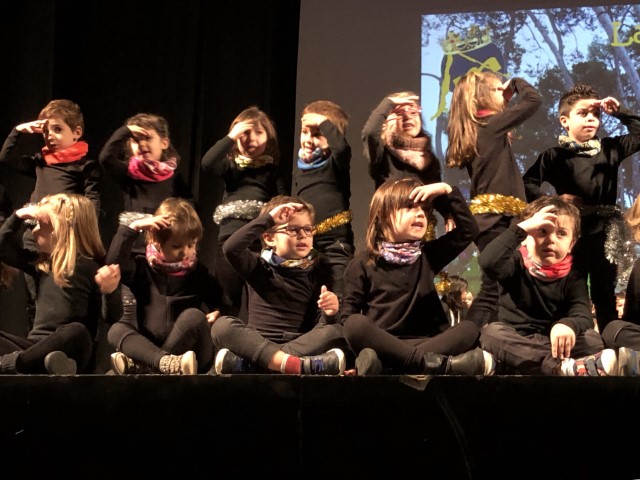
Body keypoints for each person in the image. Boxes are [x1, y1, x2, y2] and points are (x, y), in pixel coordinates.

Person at [340, 177, 491, 376]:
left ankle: (394, 366)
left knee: (469, 329)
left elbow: (468, 230)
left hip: (427, 342)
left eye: (424, 209)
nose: (420, 213)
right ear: (383, 215)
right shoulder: (362, 263)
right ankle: (435, 365)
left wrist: (446, 190)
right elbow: (348, 318)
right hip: (385, 344)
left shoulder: (428, 254)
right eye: (409, 207)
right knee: (355, 325)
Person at [523, 83, 640, 335]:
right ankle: (570, 343)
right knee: (569, 290)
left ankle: (610, 345)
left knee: (604, 293)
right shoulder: (554, 156)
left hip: (605, 234)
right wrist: (554, 201)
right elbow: (527, 183)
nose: (591, 119)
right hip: (570, 233)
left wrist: (620, 112)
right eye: (583, 113)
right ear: (565, 121)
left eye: (595, 115)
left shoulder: (610, 148)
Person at [479, 195, 616, 376]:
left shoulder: (573, 274)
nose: (551, 239)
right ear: (526, 237)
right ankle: (560, 368)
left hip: (556, 343)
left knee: (593, 340)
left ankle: (518, 363)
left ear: (571, 244)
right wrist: (519, 230)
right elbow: (488, 262)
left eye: (561, 233)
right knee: (491, 333)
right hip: (517, 337)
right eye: (542, 231)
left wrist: (567, 325)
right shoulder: (515, 262)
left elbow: (582, 313)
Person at [210, 195, 348, 375]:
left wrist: (330, 313)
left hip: (296, 345)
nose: (303, 235)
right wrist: (268, 219)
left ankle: (259, 365)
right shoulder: (258, 266)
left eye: (308, 229)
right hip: (257, 343)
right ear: (269, 238)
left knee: (335, 330)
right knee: (222, 326)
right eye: (292, 229)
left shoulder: (319, 270)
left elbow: (320, 324)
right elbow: (231, 248)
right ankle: (300, 366)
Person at [446, 71, 542, 327]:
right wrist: (516, 83)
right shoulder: (490, 126)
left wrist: (502, 98)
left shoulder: (483, 129)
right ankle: (468, 340)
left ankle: (493, 339)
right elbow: (533, 100)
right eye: (499, 89)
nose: (505, 93)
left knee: (501, 289)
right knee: (492, 292)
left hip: (496, 219)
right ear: (480, 98)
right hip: (495, 220)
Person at [105, 197, 222, 375]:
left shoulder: (198, 273)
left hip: (189, 357)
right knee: (116, 330)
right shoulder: (142, 268)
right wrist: (133, 227)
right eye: (176, 246)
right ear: (156, 241)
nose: (185, 252)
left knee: (194, 316)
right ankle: (162, 362)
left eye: (191, 245)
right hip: (152, 348)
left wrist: (218, 312)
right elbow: (113, 264)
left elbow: (222, 302)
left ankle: (145, 368)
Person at [0, 193, 109, 374]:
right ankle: (34, 364)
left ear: (62, 228)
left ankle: (13, 364)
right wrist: (18, 215)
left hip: (69, 349)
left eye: (41, 225)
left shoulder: (93, 268)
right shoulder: (41, 265)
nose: (34, 231)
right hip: (34, 347)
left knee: (77, 332)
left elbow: (110, 317)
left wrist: (109, 290)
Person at [201, 106, 287, 317]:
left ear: (269, 138)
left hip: (259, 244)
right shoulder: (230, 168)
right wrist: (232, 136)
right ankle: (223, 337)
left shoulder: (272, 172)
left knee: (260, 302)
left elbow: (283, 202)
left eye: (258, 132)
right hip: (228, 241)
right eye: (245, 133)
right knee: (227, 301)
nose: (251, 139)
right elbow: (207, 163)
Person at [98, 112, 192, 253]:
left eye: (148, 138)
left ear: (164, 143)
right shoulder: (128, 174)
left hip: (163, 250)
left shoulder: (175, 179)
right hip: (133, 249)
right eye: (136, 140)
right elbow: (105, 158)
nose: (142, 144)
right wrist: (126, 131)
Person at [362, 91, 451, 238]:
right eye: (400, 113)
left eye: (413, 112)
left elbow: (435, 192)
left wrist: (448, 213)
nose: (408, 117)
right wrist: (389, 102)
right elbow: (370, 133)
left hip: (423, 233)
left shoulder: (428, 157)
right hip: (393, 234)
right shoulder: (383, 151)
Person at [292, 100, 354, 298]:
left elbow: (341, 148)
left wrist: (321, 121)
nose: (308, 140)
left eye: (318, 134)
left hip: (335, 245)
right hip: (307, 244)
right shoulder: (300, 168)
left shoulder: (336, 162)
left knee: (338, 296)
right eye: (305, 132)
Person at [0, 99, 101, 213]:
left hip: (64, 221)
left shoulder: (86, 166)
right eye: (45, 131)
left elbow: (92, 203)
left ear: (76, 133)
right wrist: (17, 131)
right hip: (37, 220)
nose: (49, 136)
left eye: (57, 129)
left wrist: (87, 224)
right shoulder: (41, 162)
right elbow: (6, 159)